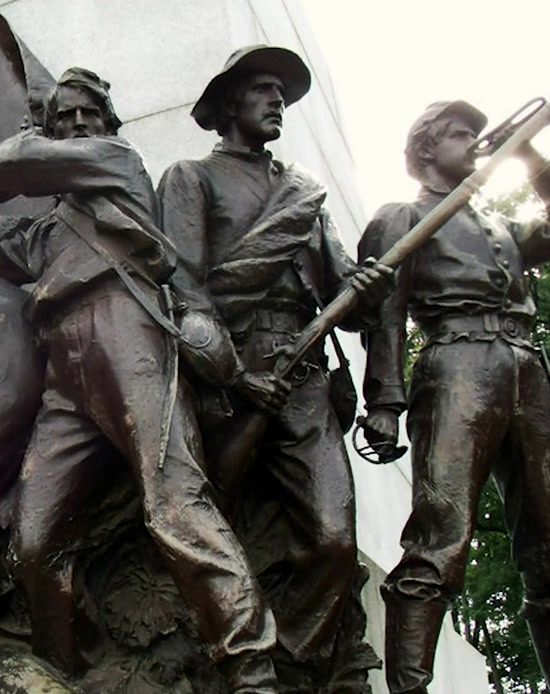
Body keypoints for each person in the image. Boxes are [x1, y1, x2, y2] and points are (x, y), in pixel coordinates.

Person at [0, 67, 279, 693]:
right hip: (63, 365)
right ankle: (75, 669)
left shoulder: (117, 162)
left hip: (125, 332)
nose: (80, 122)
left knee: (174, 503)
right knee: (33, 544)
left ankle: (252, 668)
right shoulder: (52, 226)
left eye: (89, 112)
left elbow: (32, 162)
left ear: (108, 124)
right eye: (66, 116)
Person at [155, 45, 389, 690]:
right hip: (229, 372)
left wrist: (367, 288)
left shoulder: (305, 196)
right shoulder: (190, 178)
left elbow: (345, 298)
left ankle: (290, 661)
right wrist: (230, 373)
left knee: (334, 539)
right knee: (214, 525)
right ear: (228, 102)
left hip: (304, 372)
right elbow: (183, 287)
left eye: (281, 92)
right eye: (262, 88)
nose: (278, 99)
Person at [359, 100, 550, 693]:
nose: (474, 142)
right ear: (426, 150)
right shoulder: (403, 217)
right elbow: (384, 316)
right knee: (440, 535)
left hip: (527, 369)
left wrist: (529, 154)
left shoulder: (499, 227)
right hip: (456, 365)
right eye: (460, 134)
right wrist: (386, 403)